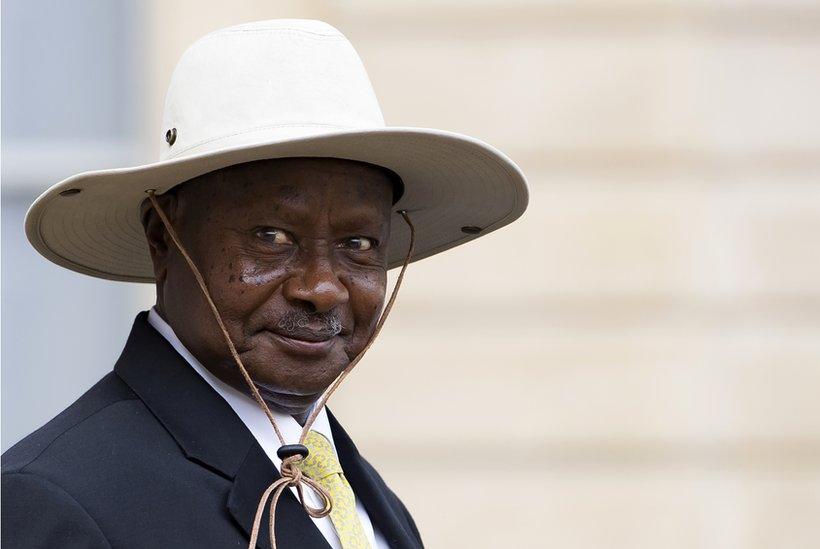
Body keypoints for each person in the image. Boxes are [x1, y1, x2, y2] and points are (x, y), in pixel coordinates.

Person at [1, 19, 527, 549]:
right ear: (164, 238)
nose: (322, 288)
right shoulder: (57, 501)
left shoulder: (370, 502)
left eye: (360, 244)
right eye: (272, 236)